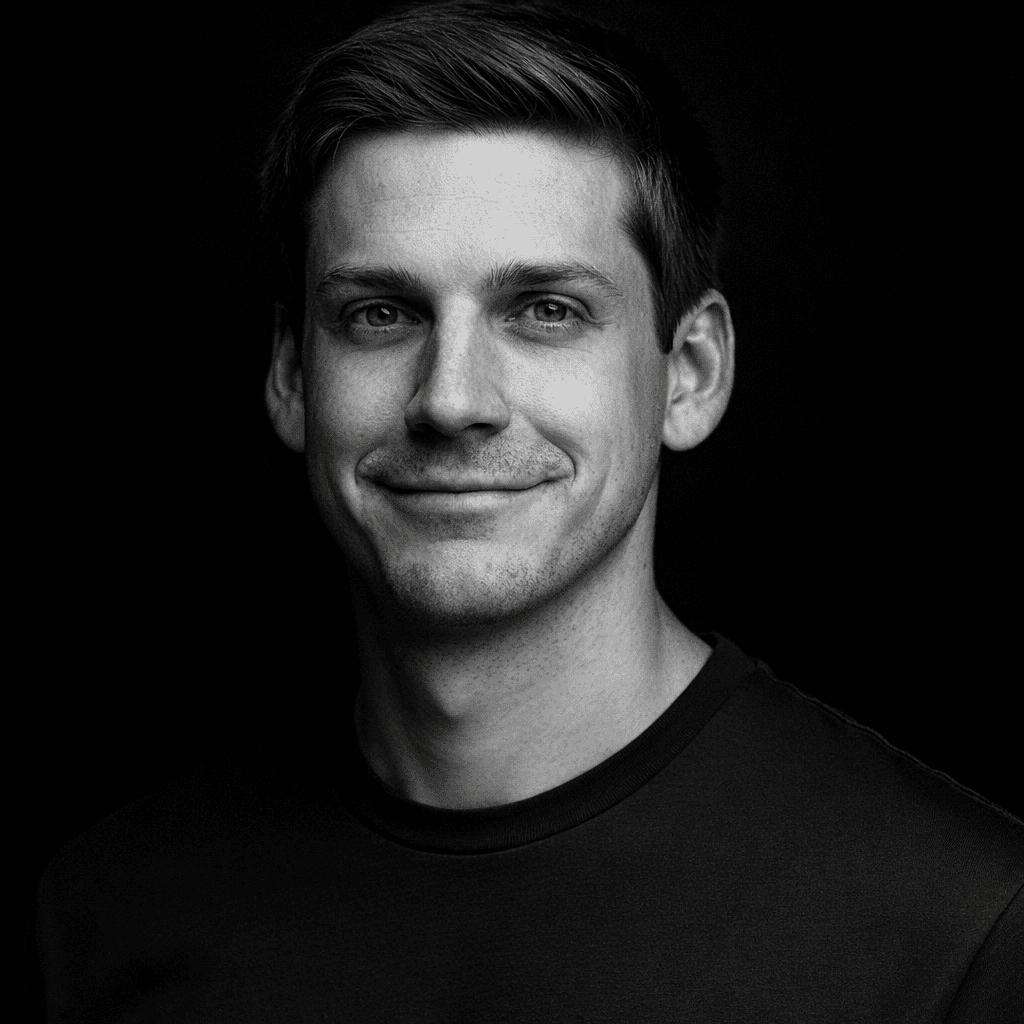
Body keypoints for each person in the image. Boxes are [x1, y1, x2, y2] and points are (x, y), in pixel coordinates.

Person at [34, 2, 1022, 1020]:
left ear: (689, 373)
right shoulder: (98, 921)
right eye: (380, 313)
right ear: (292, 376)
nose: (451, 398)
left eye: (546, 311)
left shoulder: (966, 932)